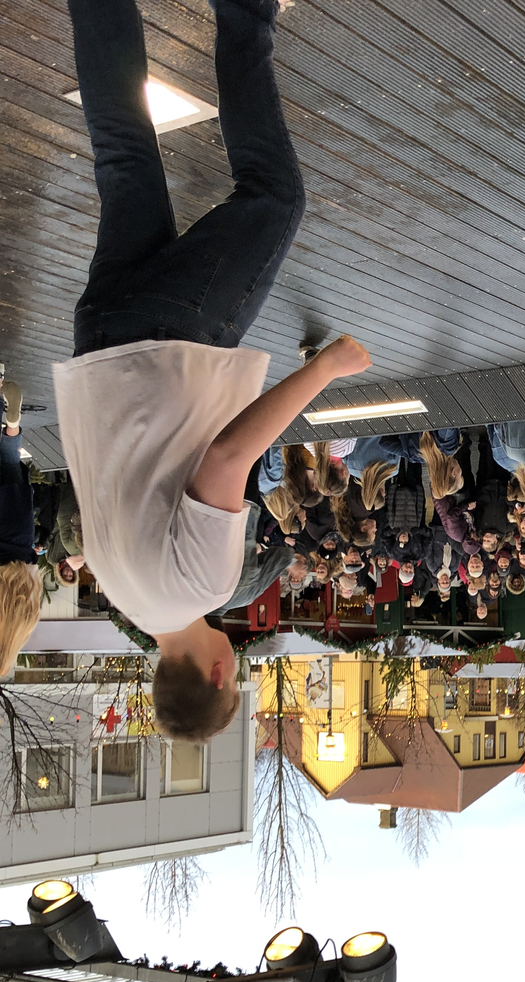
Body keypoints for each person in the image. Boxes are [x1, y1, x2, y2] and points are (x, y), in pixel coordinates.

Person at [53, 0, 372, 740]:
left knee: (274, 198)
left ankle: (245, 12)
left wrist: (325, 369)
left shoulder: (202, 586)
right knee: (123, 154)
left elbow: (228, 458)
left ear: (220, 674)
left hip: (172, 342)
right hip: (101, 341)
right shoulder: (123, 594)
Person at [0, 381, 42, 675]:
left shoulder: (24, 622)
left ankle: (12, 424)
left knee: (10, 461)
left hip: (19, 533)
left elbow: (32, 569)